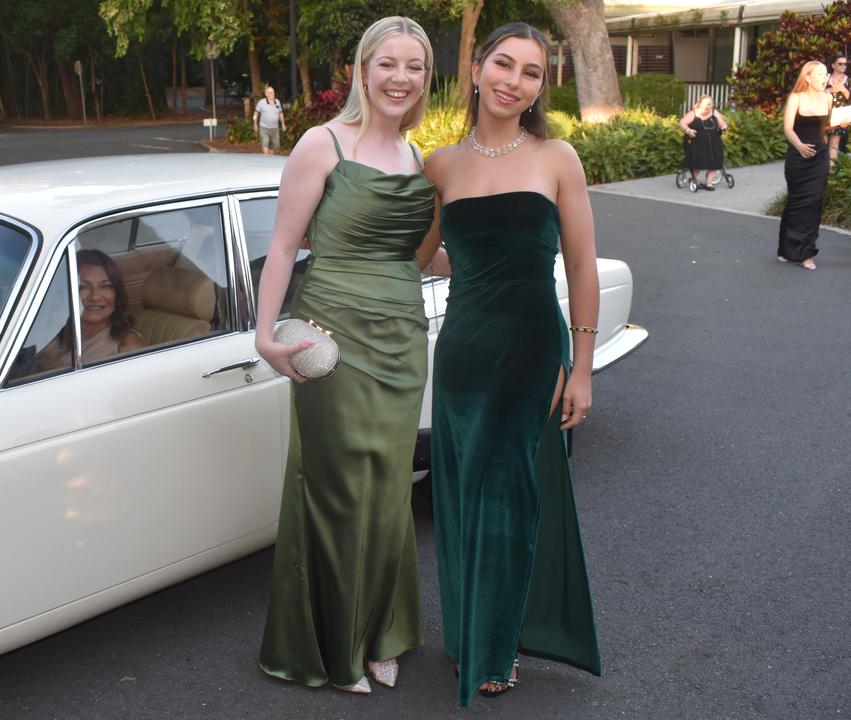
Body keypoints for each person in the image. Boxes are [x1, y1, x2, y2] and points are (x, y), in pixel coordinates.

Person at [418, 22, 601, 706]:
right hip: (464, 351)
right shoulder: (439, 164)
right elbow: (423, 258)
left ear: (538, 88)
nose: (513, 81)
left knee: (509, 496)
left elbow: (581, 264)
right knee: (461, 496)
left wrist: (581, 368)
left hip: (531, 351)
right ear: (473, 68)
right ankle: (471, 634)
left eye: (530, 72)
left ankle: (495, 649)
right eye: (503, 64)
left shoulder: (556, 157)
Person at [256, 16, 435, 695]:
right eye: (387, 63)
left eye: (413, 66)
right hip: (331, 337)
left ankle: (381, 633)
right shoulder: (322, 142)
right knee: (336, 491)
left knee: (390, 493)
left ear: (425, 78)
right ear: (364, 71)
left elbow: (418, 256)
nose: (400, 77)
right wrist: (264, 332)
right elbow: (283, 245)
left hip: (401, 339)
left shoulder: (420, 158)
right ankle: (335, 644)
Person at [778, 61, 834, 270]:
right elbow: (788, 128)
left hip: (819, 157)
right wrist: (799, 146)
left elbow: (826, 127)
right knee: (796, 203)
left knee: (813, 202)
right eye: (819, 74)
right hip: (798, 157)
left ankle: (807, 252)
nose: (824, 77)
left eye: (825, 74)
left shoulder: (828, 98)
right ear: (808, 77)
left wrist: (840, 123)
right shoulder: (796, 97)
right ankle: (785, 247)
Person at [77, 249, 144, 363]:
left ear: (117, 294)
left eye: (106, 286)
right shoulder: (57, 332)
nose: (95, 297)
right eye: (83, 287)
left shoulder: (127, 345)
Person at [678, 94, 729, 189]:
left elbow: (723, 124)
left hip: (714, 142)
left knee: (716, 161)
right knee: (698, 161)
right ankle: (694, 178)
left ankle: (709, 182)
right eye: (706, 104)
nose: (708, 106)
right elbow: (682, 123)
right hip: (696, 142)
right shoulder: (693, 113)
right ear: (700, 104)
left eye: (710, 104)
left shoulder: (715, 113)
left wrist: (724, 128)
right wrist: (688, 130)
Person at [827, 56, 851, 165]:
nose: (843, 66)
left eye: (845, 64)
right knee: (823, 140)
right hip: (826, 112)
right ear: (833, 65)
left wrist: (843, 89)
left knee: (834, 142)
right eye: (840, 63)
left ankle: (831, 169)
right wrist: (831, 90)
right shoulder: (826, 78)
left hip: (840, 114)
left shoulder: (848, 80)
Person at [253, 85, 287, 155]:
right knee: (265, 143)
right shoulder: (261, 102)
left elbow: (280, 113)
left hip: (275, 128)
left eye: (273, 92)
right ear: (266, 94)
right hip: (264, 127)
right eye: (270, 92)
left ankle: (270, 159)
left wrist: (283, 124)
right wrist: (255, 124)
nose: (272, 94)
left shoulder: (277, 102)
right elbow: (256, 113)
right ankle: (266, 158)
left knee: (275, 146)